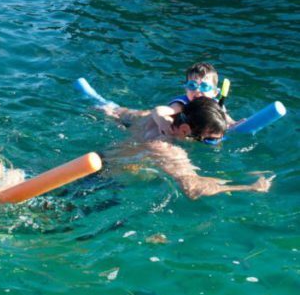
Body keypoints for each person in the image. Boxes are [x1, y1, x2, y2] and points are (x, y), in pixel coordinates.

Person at [117, 97, 273, 200]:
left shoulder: (151, 116)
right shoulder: (166, 148)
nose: (217, 144)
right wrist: (248, 187)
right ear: (184, 130)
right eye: (210, 140)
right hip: (113, 186)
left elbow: (115, 111)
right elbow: (192, 188)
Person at [103, 61, 235, 134]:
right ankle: (108, 108)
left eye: (205, 87)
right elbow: (158, 111)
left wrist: (236, 124)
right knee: (116, 115)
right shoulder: (183, 104)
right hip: (144, 117)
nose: (197, 90)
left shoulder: (217, 105)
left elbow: (228, 121)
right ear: (185, 88)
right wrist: (163, 123)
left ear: (215, 93)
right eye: (192, 85)